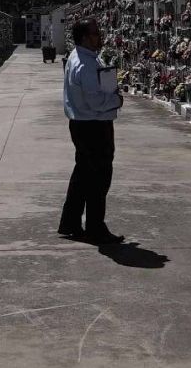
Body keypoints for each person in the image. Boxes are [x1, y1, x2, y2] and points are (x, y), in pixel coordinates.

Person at [58, 19, 123, 245]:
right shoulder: (85, 65)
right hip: (93, 126)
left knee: (82, 175)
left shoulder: (81, 57)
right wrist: (116, 99)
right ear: (85, 37)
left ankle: (70, 223)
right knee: (98, 178)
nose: (100, 36)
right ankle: (95, 227)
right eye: (95, 33)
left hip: (82, 124)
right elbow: (94, 100)